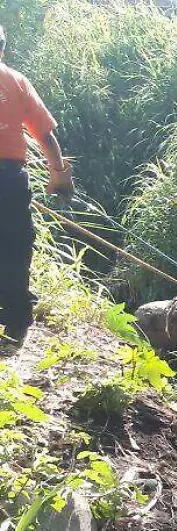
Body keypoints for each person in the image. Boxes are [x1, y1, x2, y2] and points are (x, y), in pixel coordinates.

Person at [0, 24, 74, 348]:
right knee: (16, 246)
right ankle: (16, 322)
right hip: (11, 177)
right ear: (3, 48)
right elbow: (45, 135)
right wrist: (59, 175)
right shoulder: (16, 81)